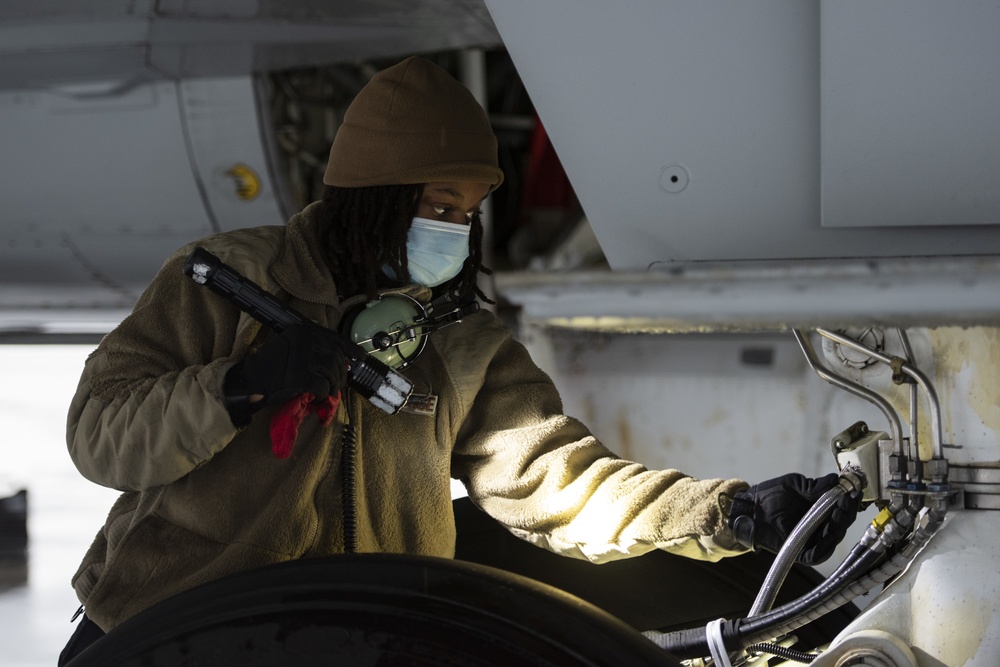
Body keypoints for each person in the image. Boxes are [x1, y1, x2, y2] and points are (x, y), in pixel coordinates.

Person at [59, 56, 861, 662]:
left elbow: (563, 483)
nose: (453, 229)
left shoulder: (457, 339)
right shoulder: (228, 283)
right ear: (375, 195)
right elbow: (99, 433)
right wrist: (239, 387)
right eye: (438, 207)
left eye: (467, 212)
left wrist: (723, 514)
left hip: (348, 639)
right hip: (168, 631)